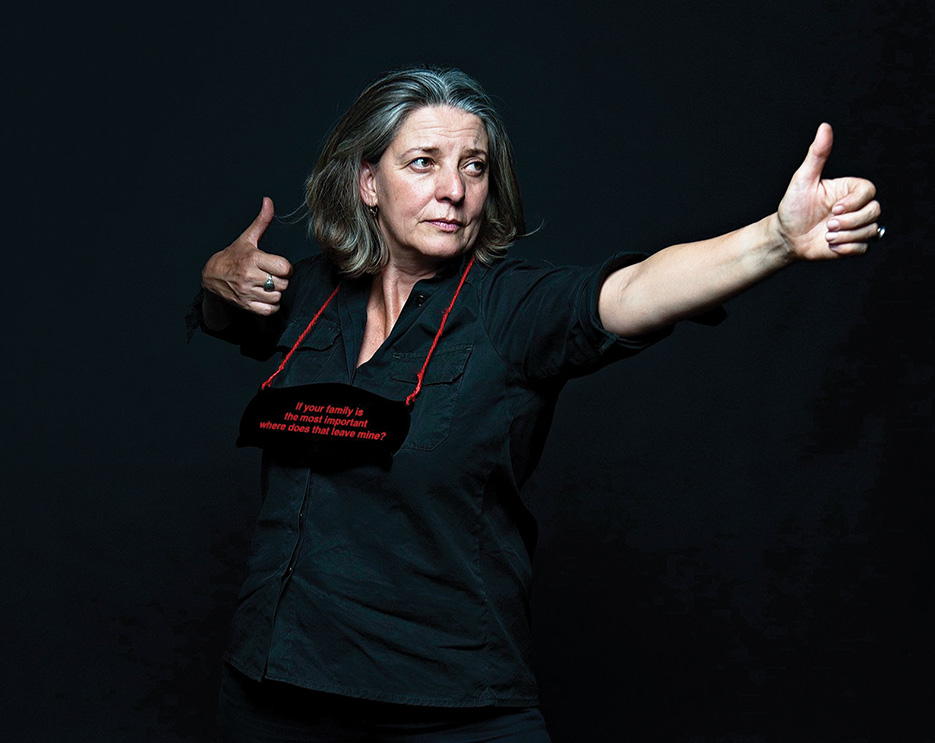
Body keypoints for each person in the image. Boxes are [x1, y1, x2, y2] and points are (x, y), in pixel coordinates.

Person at [191, 66, 881, 742]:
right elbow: (225, 313)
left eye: (474, 166)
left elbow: (633, 291)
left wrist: (775, 239)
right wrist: (215, 277)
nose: (453, 190)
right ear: (368, 182)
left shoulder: (512, 306)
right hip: (271, 691)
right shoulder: (308, 294)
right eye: (423, 162)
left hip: (446, 703)